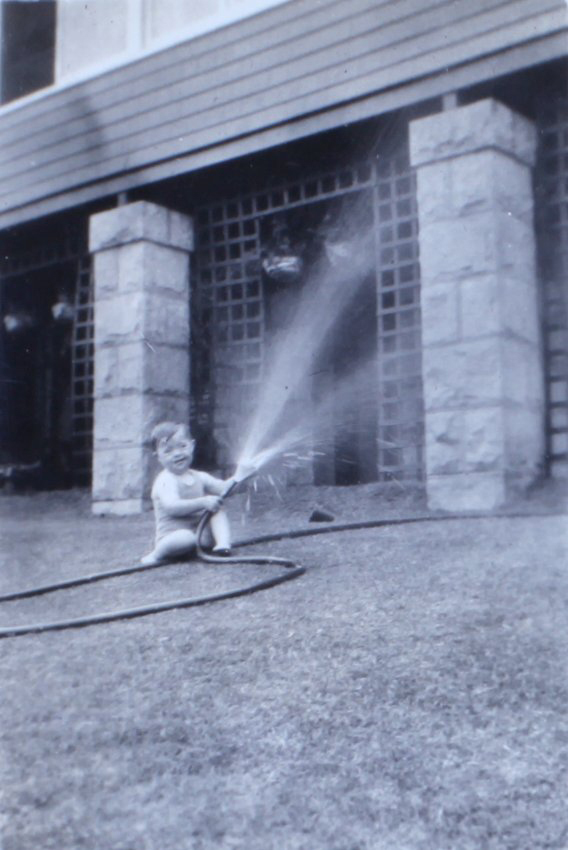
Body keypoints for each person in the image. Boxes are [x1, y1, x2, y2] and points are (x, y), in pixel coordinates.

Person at [141, 421, 236, 566]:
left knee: (217, 509)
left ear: (192, 445)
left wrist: (241, 476)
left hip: (199, 535)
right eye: (168, 451)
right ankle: (157, 554)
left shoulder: (199, 476)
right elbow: (172, 507)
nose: (177, 453)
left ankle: (222, 545)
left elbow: (223, 489)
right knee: (186, 537)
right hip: (174, 537)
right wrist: (203, 502)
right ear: (158, 456)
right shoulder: (165, 480)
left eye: (182, 446)